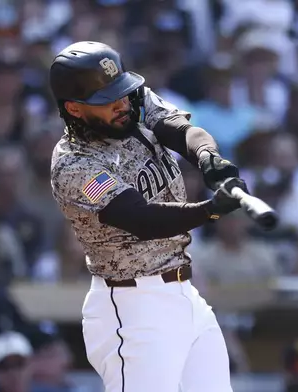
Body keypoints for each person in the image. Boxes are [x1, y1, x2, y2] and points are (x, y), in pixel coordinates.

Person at [49, 41, 248, 392]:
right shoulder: (73, 164)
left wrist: (207, 157)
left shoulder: (131, 103)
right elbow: (139, 218)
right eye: (107, 101)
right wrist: (210, 210)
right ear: (74, 109)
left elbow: (179, 128)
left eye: (122, 93)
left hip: (185, 294)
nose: (122, 105)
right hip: (132, 307)